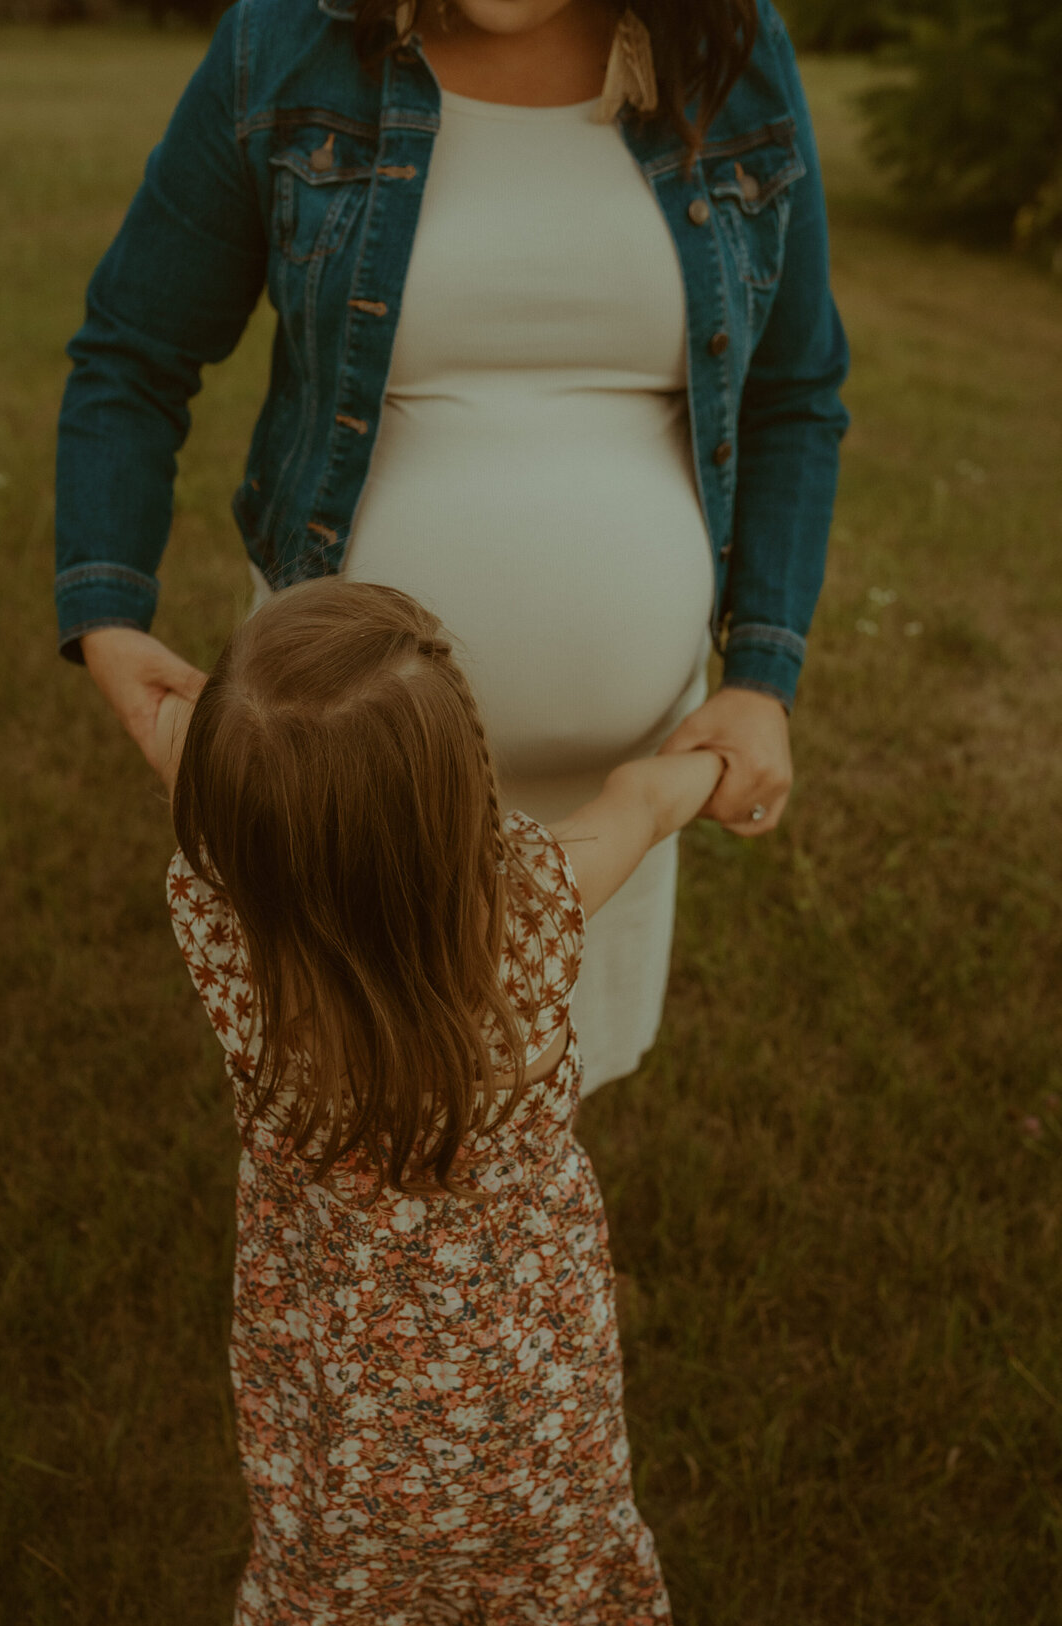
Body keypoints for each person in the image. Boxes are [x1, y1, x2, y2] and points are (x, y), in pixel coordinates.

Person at [57, 0, 849, 1098]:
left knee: (538, 1122)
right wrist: (107, 617)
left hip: (607, 779)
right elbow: (132, 356)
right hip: (344, 772)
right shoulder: (283, 45)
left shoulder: (728, 44)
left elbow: (796, 392)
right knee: (337, 1125)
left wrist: (763, 672)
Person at [156, 575, 724, 1626]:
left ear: (236, 839)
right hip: (528, 1405)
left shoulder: (233, 945)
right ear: (466, 783)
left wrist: (180, 719)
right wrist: (720, 759)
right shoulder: (532, 905)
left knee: (427, 1590)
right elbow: (640, 800)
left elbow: (222, 807)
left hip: (359, 1427)